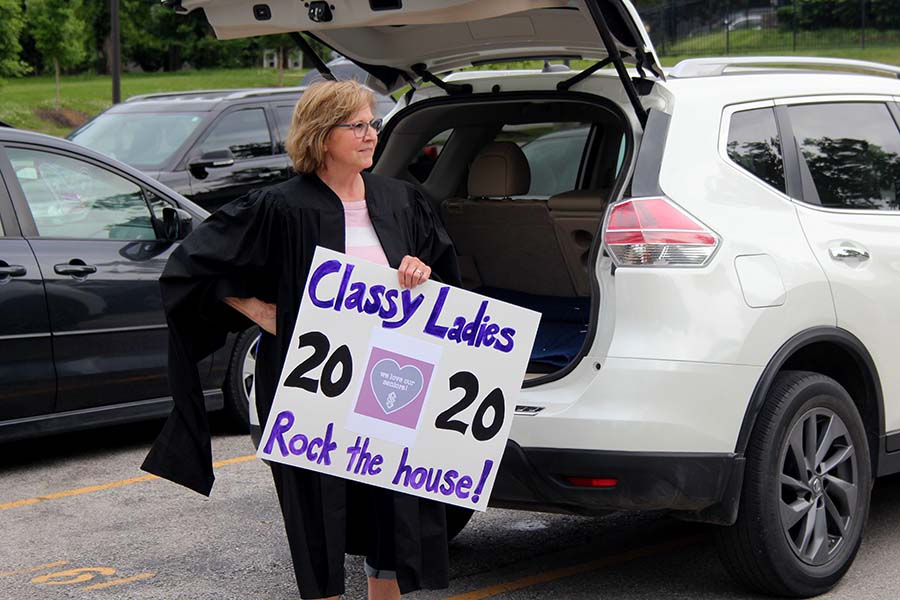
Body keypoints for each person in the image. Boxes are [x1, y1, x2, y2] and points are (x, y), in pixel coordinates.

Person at [141, 80, 461, 600]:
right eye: (355, 124)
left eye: (372, 122)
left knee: (391, 502)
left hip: (388, 378)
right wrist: (259, 310)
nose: (370, 134)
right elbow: (191, 269)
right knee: (315, 505)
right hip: (306, 380)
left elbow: (445, 284)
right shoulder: (279, 207)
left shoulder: (402, 201)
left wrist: (420, 270)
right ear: (320, 134)